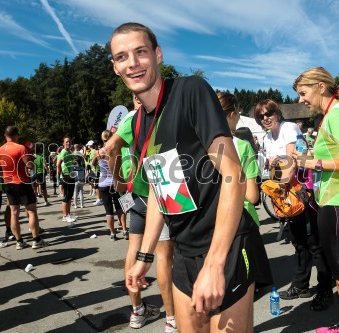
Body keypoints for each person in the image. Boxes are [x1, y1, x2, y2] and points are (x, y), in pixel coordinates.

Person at [110, 22, 258, 333]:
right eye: (122, 56)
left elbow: (233, 174)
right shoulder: (137, 124)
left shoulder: (189, 90)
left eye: (140, 52)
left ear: (158, 54)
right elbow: (159, 193)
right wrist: (144, 256)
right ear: (115, 67)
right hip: (184, 250)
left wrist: (215, 265)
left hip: (225, 246)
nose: (132, 62)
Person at [293, 67, 339, 333]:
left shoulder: (337, 113)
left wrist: (316, 162)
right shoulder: (331, 115)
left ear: (321, 87)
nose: (301, 100)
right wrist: (304, 161)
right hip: (334, 201)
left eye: (303, 93)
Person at [104, 94, 176, 331]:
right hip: (157, 192)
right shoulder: (143, 116)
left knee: (134, 250)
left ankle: (137, 311)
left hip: (134, 195)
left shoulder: (129, 119)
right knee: (164, 256)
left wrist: (120, 182)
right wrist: (119, 180)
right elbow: (110, 148)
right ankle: (172, 319)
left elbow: (111, 149)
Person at [257, 99, 332, 311]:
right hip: (288, 194)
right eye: (261, 116)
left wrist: (276, 182)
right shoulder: (267, 137)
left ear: (277, 113)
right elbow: (273, 165)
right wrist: (271, 164)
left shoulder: (288, 128)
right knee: (299, 242)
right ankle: (301, 285)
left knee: (314, 243)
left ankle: (326, 289)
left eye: (269, 113)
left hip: (302, 192)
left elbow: (292, 163)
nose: (266, 118)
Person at [218, 92, 273, 296]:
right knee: (243, 289)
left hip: (207, 225)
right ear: (232, 113)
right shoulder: (241, 145)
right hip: (240, 222)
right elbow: (252, 196)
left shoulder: (196, 144)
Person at [0, 126, 48, 250]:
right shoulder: (20, 147)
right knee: (31, 210)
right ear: (16, 135)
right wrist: (33, 164)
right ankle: (36, 240)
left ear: (5, 135)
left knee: (14, 213)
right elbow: (29, 165)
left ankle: (19, 241)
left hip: (8, 183)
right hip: (22, 182)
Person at [92, 130, 127, 240]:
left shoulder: (98, 153)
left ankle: (112, 234)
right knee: (120, 208)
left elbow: (93, 164)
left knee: (108, 210)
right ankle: (125, 230)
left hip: (103, 184)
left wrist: (98, 166)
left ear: (102, 139)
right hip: (115, 182)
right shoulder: (115, 151)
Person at [57, 135, 77, 223]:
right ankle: (65, 216)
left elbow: (75, 161)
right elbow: (58, 164)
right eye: (66, 142)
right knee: (66, 197)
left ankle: (68, 214)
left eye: (69, 141)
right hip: (66, 177)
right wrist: (60, 174)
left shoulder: (69, 152)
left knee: (69, 197)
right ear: (63, 143)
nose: (68, 143)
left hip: (71, 177)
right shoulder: (64, 152)